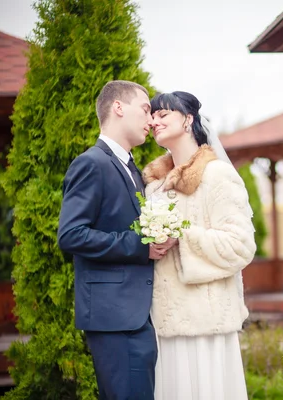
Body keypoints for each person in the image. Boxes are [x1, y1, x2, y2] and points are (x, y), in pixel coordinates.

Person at [58, 80, 173, 399]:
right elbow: (70, 235)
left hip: (134, 316)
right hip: (115, 319)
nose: (152, 120)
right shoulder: (91, 164)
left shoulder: (132, 169)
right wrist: (140, 247)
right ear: (118, 108)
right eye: (146, 109)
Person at [142, 91, 256, 400]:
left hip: (207, 325)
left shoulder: (217, 175)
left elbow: (241, 245)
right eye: (152, 115)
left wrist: (182, 236)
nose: (154, 121)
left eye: (163, 114)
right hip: (163, 323)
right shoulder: (154, 187)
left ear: (189, 119)